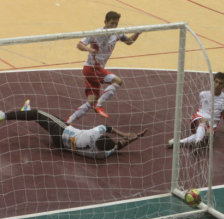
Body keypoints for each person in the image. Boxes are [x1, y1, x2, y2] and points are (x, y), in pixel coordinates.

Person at [0, 100, 147, 159]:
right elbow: (116, 147)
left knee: (38, 114)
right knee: (50, 118)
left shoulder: (94, 133)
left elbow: (109, 128)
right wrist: (134, 138)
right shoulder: (99, 155)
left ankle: (4, 116)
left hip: (62, 131)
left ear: (101, 138)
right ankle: (26, 111)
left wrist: (126, 134)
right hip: (62, 146)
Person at [66, 11, 141, 123]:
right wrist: (89, 49)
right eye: (111, 23)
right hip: (92, 68)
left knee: (90, 102)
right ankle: (99, 105)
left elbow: (129, 41)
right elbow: (79, 44)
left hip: (95, 71)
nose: (114, 26)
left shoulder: (117, 33)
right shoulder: (96, 33)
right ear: (105, 22)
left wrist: (138, 33)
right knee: (118, 81)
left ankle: (68, 120)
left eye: (116, 24)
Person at [168, 72, 224, 150]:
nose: (217, 85)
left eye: (220, 83)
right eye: (216, 82)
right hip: (199, 117)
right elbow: (201, 108)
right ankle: (198, 143)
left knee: (206, 134)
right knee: (203, 121)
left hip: (211, 125)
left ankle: (179, 142)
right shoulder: (203, 94)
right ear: (213, 81)